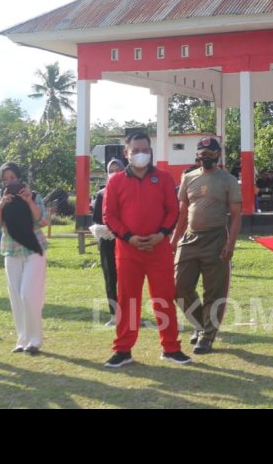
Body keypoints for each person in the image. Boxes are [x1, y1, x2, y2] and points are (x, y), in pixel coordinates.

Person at [102, 132, 189, 368]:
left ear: (151, 151)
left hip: (158, 249)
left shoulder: (163, 178)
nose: (141, 154)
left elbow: (173, 211)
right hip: (128, 251)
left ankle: (171, 348)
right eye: (136, 150)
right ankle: (123, 350)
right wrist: (130, 238)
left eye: (145, 150)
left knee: (164, 299)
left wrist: (161, 234)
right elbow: (109, 215)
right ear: (126, 153)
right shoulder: (116, 181)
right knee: (127, 300)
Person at [172, 136, 242, 355]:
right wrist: (175, 240)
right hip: (190, 239)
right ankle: (201, 324)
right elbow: (183, 212)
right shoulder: (188, 178)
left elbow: (237, 215)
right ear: (197, 156)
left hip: (216, 238)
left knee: (214, 291)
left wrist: (230, 245)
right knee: (178, 286)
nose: (206, 159)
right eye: (203, 155)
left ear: (218, 156)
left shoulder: (228, 180)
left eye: (211, 155)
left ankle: (207, 336)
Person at [0, 162, 48, 355]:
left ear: (20, 178)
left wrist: (29, 201)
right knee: (16, 297)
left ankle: (34, 340)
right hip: (10, 250)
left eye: (13, 178)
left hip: (34, 249)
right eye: (5, 179)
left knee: (28, 294)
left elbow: (43, 221)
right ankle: (22, 339)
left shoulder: (34, 196)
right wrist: (0, 206)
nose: (9, 183)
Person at [92, 158, 125, 326]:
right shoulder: (101, 194)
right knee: (110, 277)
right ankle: (114, 315)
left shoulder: (129, 191)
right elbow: (97, 220)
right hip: (107, 241)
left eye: (117, 169)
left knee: (127, 279)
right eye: (111, 170)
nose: (114, 173)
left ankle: (129, 313)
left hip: (126, 241)